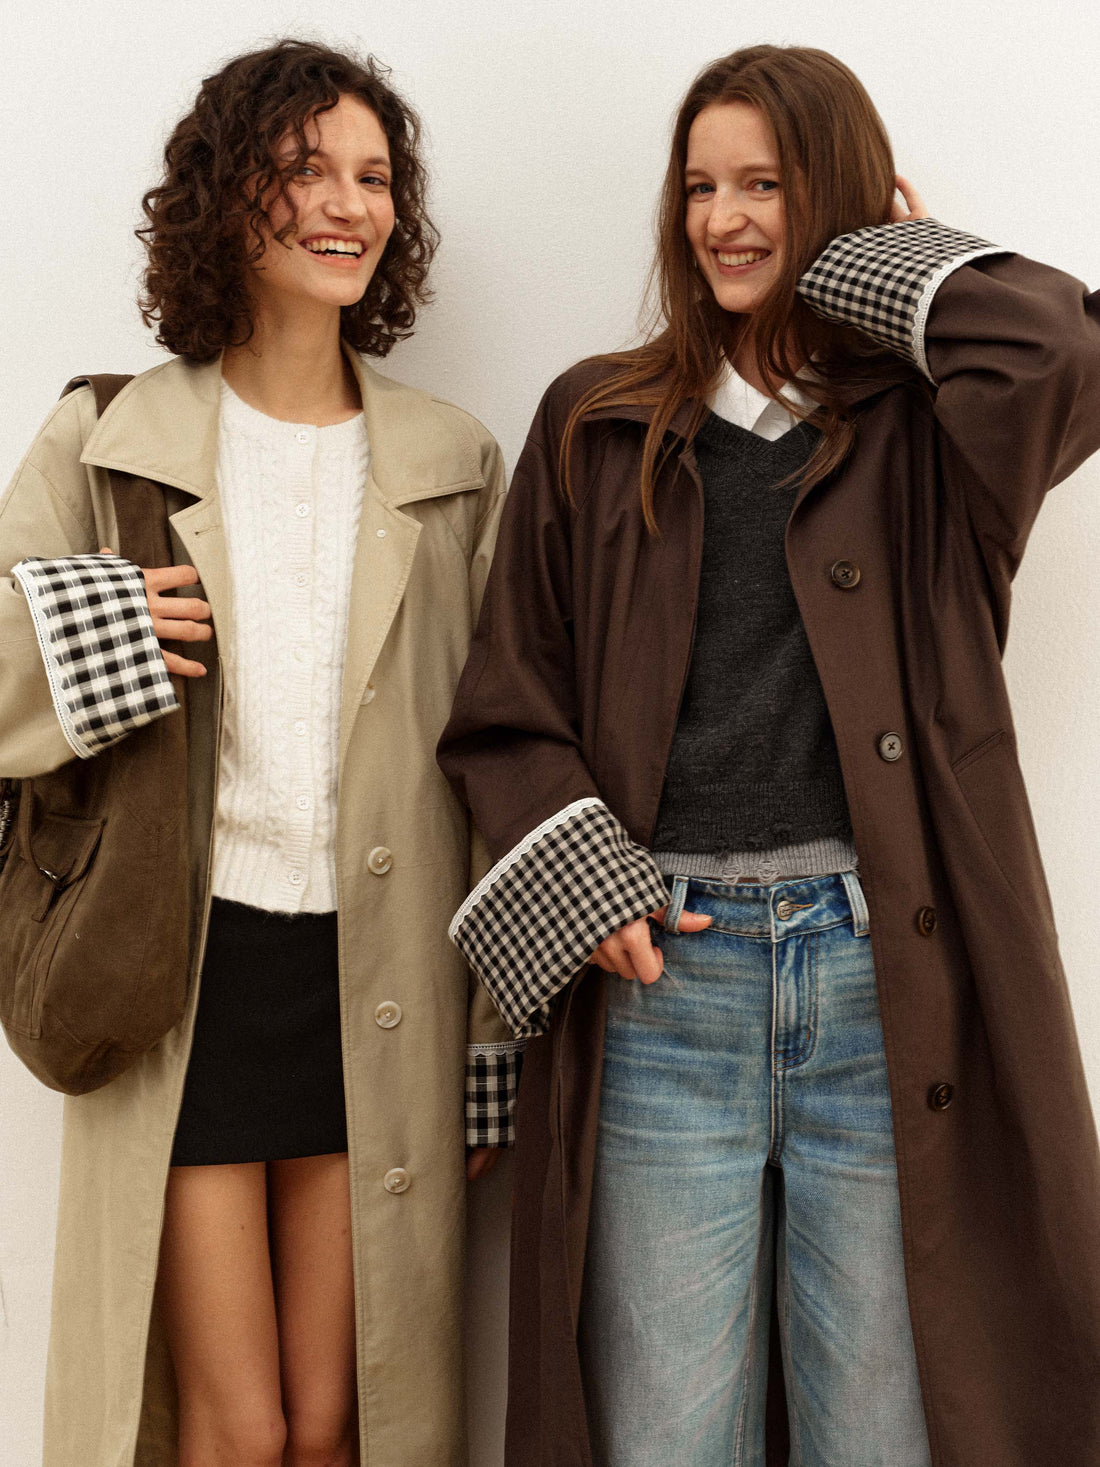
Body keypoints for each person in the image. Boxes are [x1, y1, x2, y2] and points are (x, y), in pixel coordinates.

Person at [437, 43, 1100, 1467]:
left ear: (841, 202)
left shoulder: (933, 434)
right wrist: (590, 890)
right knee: (669, 1439)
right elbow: (505, 703)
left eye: (767, 185)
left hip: (882, 987)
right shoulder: (598, 422)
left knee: (885, 1435)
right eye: (700, 187)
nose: (723, 220)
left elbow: (1062, 350)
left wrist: (894, 265)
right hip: (669, 987)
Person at [0, 38, 520, 1467]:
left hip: (383, 982)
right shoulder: (111, 437)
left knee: (343, 1424)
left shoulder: (453, 462)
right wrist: (101, 631)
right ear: (232, 197)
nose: (350, 206)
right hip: (188, 974)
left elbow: (497, 762)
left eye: (375, 177)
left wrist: (492, 1047)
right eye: (306, 170)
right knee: (236, 1431)